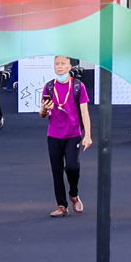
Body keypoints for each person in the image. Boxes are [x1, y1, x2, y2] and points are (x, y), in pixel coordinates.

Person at [39, 55, 92, 218]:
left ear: (70, 67)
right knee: (56, 171)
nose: (59, 66)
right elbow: (42, 114)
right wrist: (44, 108)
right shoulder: (49, 87)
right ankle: (62, 205)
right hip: (54, 134)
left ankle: (74, 193)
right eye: (57, 64)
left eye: (63, 64)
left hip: (73, 134)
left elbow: (84, 112)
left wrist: (88, 135)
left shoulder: (78, 86)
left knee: (72, 167)